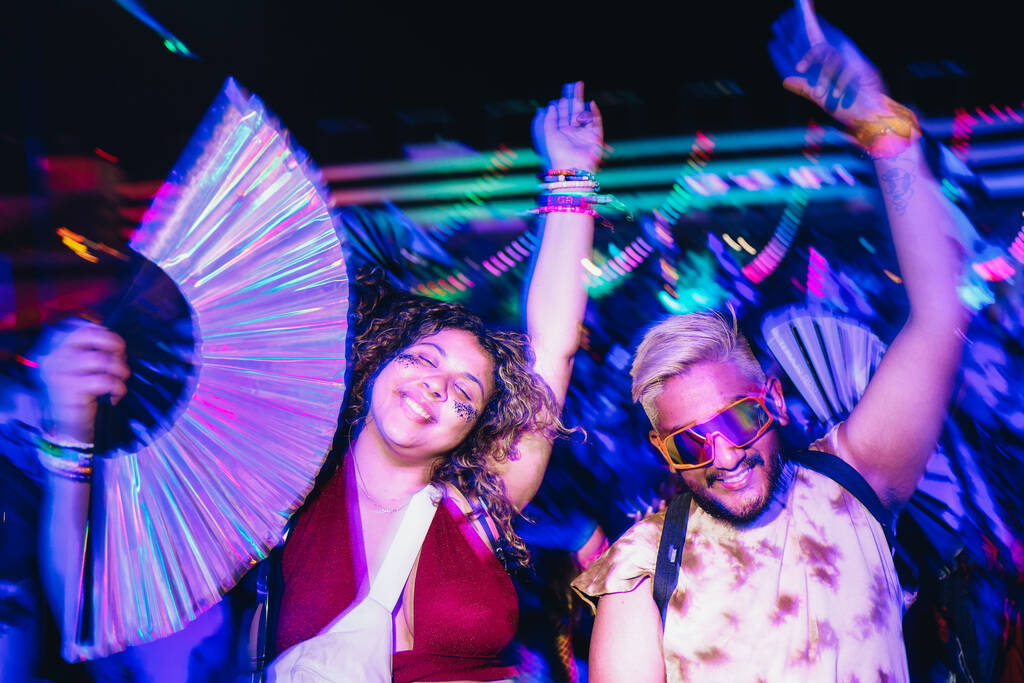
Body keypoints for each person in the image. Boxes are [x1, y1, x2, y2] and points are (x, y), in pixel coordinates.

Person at [34, 82, 604, 683]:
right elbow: (84, 603)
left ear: (473, 427)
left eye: (467, 392)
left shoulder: (480, 507)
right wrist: (65, 430)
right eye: (423, 359)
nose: (440, 385)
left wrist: (569, 174)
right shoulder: (279, 505)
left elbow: (548, 349)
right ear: (377, 364)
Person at [571, 5, 967, 683]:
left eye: (739, 418)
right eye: (690, 441)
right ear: (661, 452)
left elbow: (937, 313)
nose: (723, 454)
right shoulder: (640, 565)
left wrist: (885, 133)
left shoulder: (854, 477)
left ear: (773, 399)